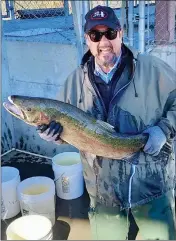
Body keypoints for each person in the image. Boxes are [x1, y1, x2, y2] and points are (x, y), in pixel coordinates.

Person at [37, 5, 176, 240]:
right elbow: (65, 131)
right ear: (87, 40)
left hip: (151, 186)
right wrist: (54, 136)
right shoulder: (74, 84)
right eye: (95, 35)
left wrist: (164, 130)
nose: (104, 42)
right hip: (103, 192)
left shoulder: (152, 70)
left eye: (110, 33)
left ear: (120, 33)